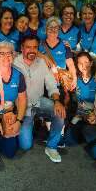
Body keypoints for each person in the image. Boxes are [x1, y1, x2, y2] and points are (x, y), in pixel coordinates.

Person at [14, 35, 66, 163]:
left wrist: (57, 101)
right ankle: (30, 124)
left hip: (39, 100)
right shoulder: (14, 63)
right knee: (25, 145)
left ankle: (51, 146)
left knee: (59, 113)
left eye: (35, 47)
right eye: (28, 47)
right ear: (21, 48)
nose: (32, 50)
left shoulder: (42, 62)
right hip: (23, 107)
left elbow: (51, 85)